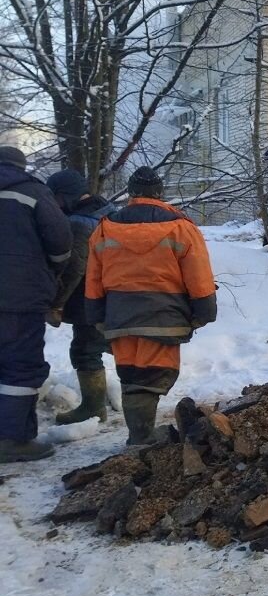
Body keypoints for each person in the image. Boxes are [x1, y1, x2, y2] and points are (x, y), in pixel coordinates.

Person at [85, 167, 217, 444]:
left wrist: (96, 315)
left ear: (131, 193)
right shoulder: (181, 227)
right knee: (151, 375)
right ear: (159, 192)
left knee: (131, 375)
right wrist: (204, 311)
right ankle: (142, 439)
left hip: (120, 316)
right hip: (164, 316)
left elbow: (93, 278)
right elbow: (198, 275)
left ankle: (139, 435)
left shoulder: (105, 227)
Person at [0, 146, 72, 462]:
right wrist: (49, 271)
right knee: (20, 364)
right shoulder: (32, 191)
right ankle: (13, 439)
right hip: (19, 295)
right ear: (21, 165)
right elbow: (60, 243)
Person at [46, 169, 116, 425]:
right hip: (114, 294)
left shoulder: (79, 222)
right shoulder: (109, 211)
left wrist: (56, 303)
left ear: (64, 196)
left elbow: (74, 268)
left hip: (90, 298)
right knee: (116, 346)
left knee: (86, 351)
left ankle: (93, 407)